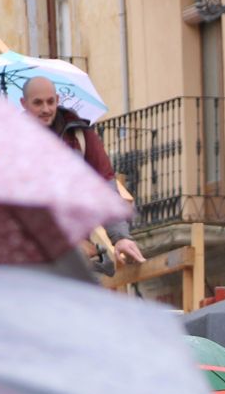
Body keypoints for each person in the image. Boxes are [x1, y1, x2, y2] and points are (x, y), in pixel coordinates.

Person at [19, 76, 144, 268]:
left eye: (50, 102)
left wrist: (120, 237)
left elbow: (104, 185)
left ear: (58, 100)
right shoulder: (11, 142)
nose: (46, 109)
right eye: (38, 103)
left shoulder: (80, 135)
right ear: (24, 104)